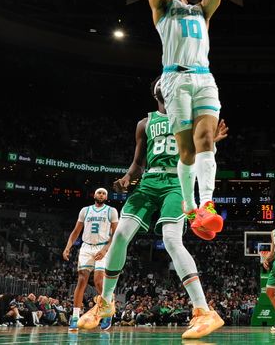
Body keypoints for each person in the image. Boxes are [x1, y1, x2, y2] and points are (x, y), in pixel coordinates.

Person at [77, 77, 226, 339]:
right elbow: (137, 164)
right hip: (148, 182)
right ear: (155, 90)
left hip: (177, 182)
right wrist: (126, 178)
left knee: (171, 240)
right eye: (162, 79)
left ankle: (203, 311)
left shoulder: (189, 116)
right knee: (121, 234)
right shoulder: (144, 123)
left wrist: (211, 140)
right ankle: (106, 302)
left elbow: (202, 150)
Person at [147, 0, 227, 241]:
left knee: (206, 139)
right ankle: (188, 203)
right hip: (175, 78)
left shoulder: (200, 12)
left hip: (203, 77)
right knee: (187, 151)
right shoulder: (162, 10)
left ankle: (206, 203)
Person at [63, 188, 119, 331]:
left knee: (98, 280)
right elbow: (76, 231)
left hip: (102, 247)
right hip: (86, 247)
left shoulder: (111, 211)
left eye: (104, 193)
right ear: (94, 195)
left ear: (106, 197)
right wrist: (68, 247)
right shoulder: (85, 210)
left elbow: (116, 234)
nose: (101, 195)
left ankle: (107, 311)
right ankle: (75, 317)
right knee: (81, 280)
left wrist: (105, 249)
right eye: (99, 192)